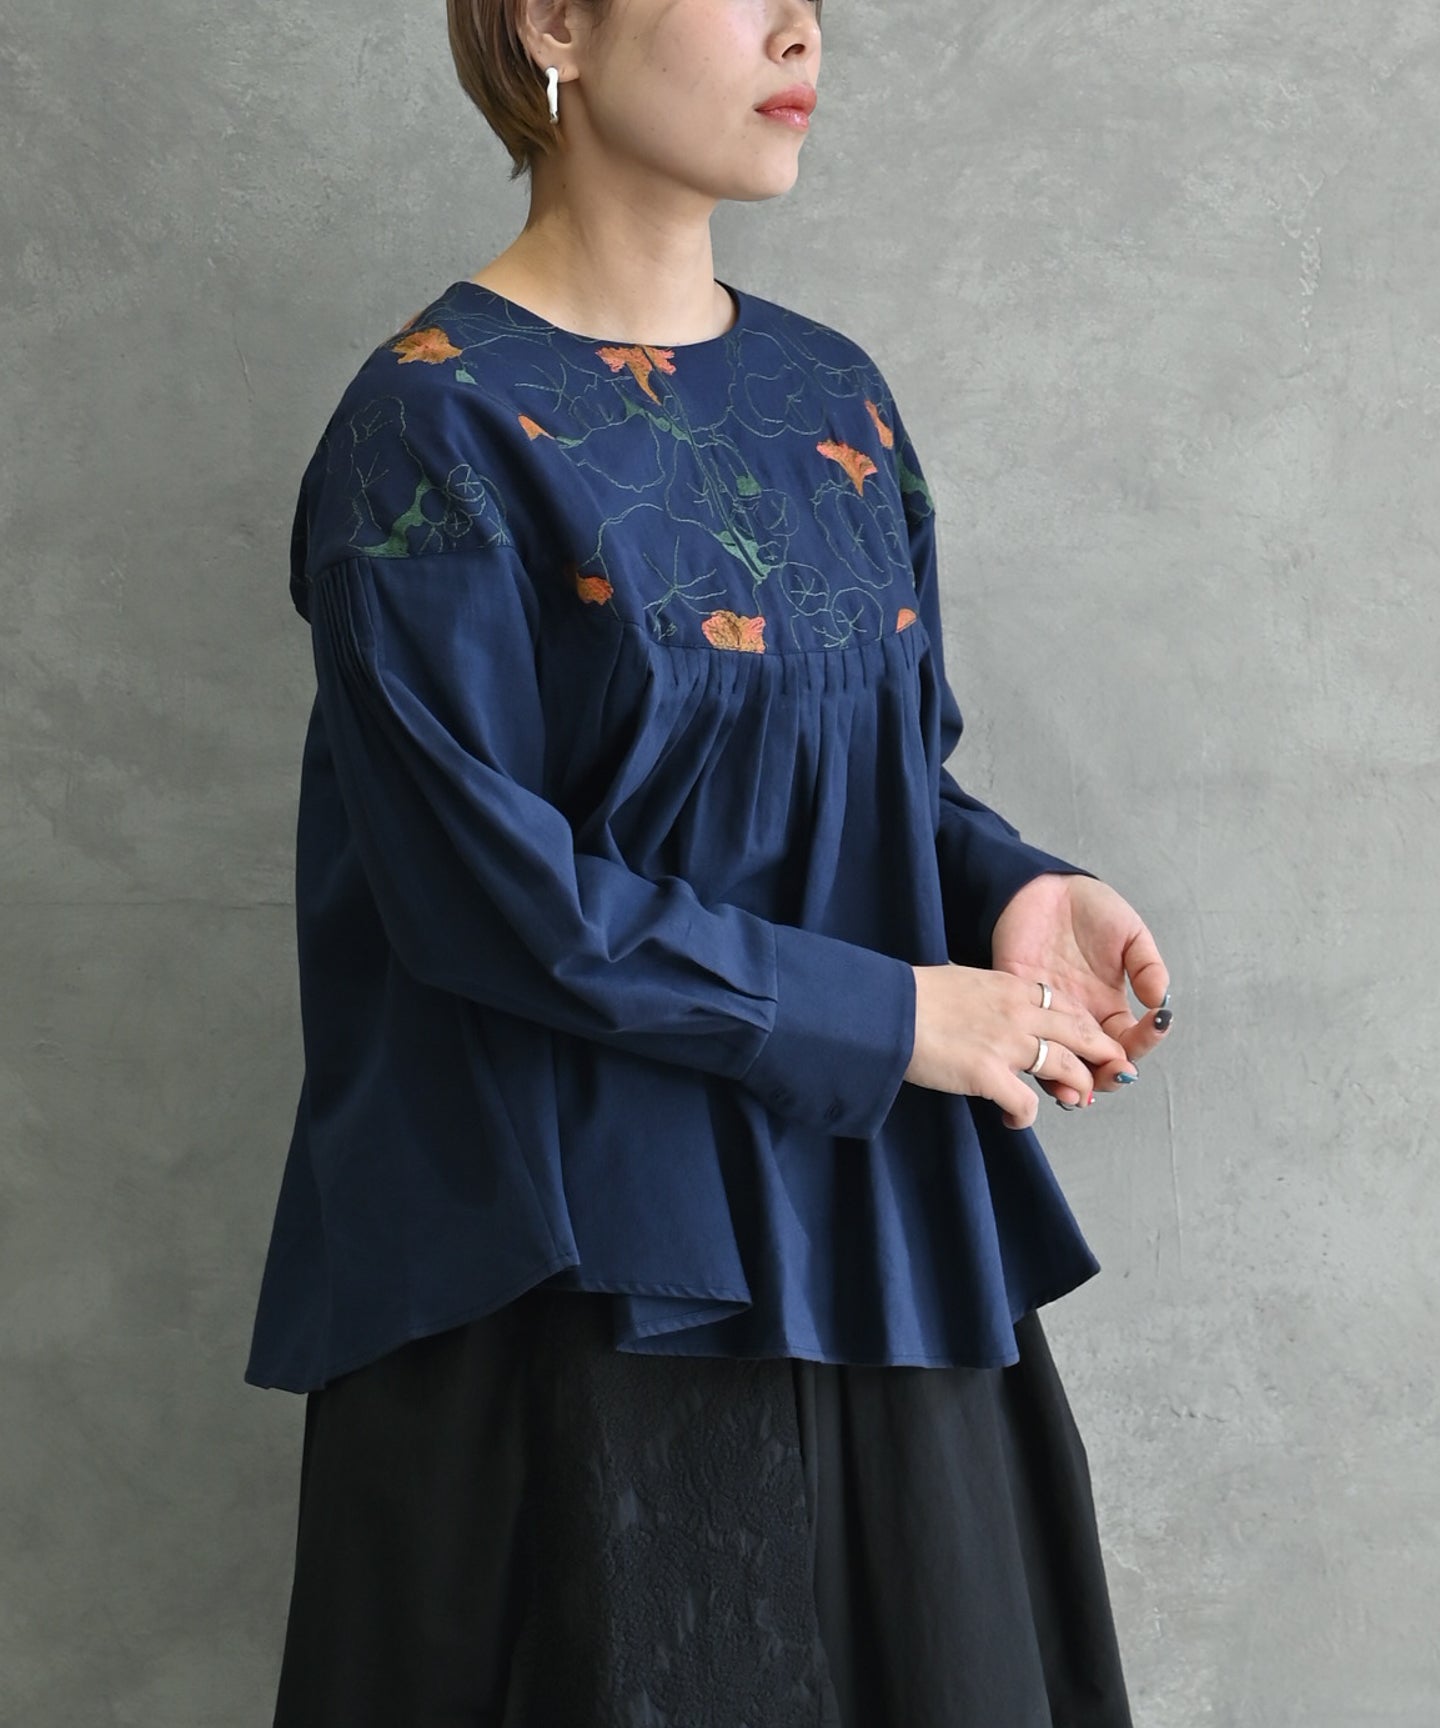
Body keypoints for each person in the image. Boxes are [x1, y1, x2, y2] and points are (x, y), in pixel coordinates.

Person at [245, 0, 1176, 1722]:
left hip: (876, 1252)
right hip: (586, 1287)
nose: (800, 26)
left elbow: (866, 776)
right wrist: (897, 1017)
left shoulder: (833, 395)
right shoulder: (431, 432)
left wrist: (1007, 885)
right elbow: (490, 901)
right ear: (555, 22)